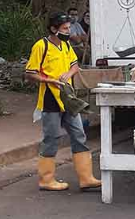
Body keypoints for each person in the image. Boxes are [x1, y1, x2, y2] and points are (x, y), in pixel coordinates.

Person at [24, 11, 101, 192]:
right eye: (65, 28)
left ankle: (86, 177)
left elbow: (75, 65)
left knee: (79, 135)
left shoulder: (66, 46)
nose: (68, 31)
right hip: (50, 98)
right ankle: (46, 179)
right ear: (53, 29)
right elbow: (29, 73)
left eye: (68, 28)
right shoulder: (41, 46)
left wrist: (68, 74)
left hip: (68, 97)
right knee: (51, 138)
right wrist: (49, 80)